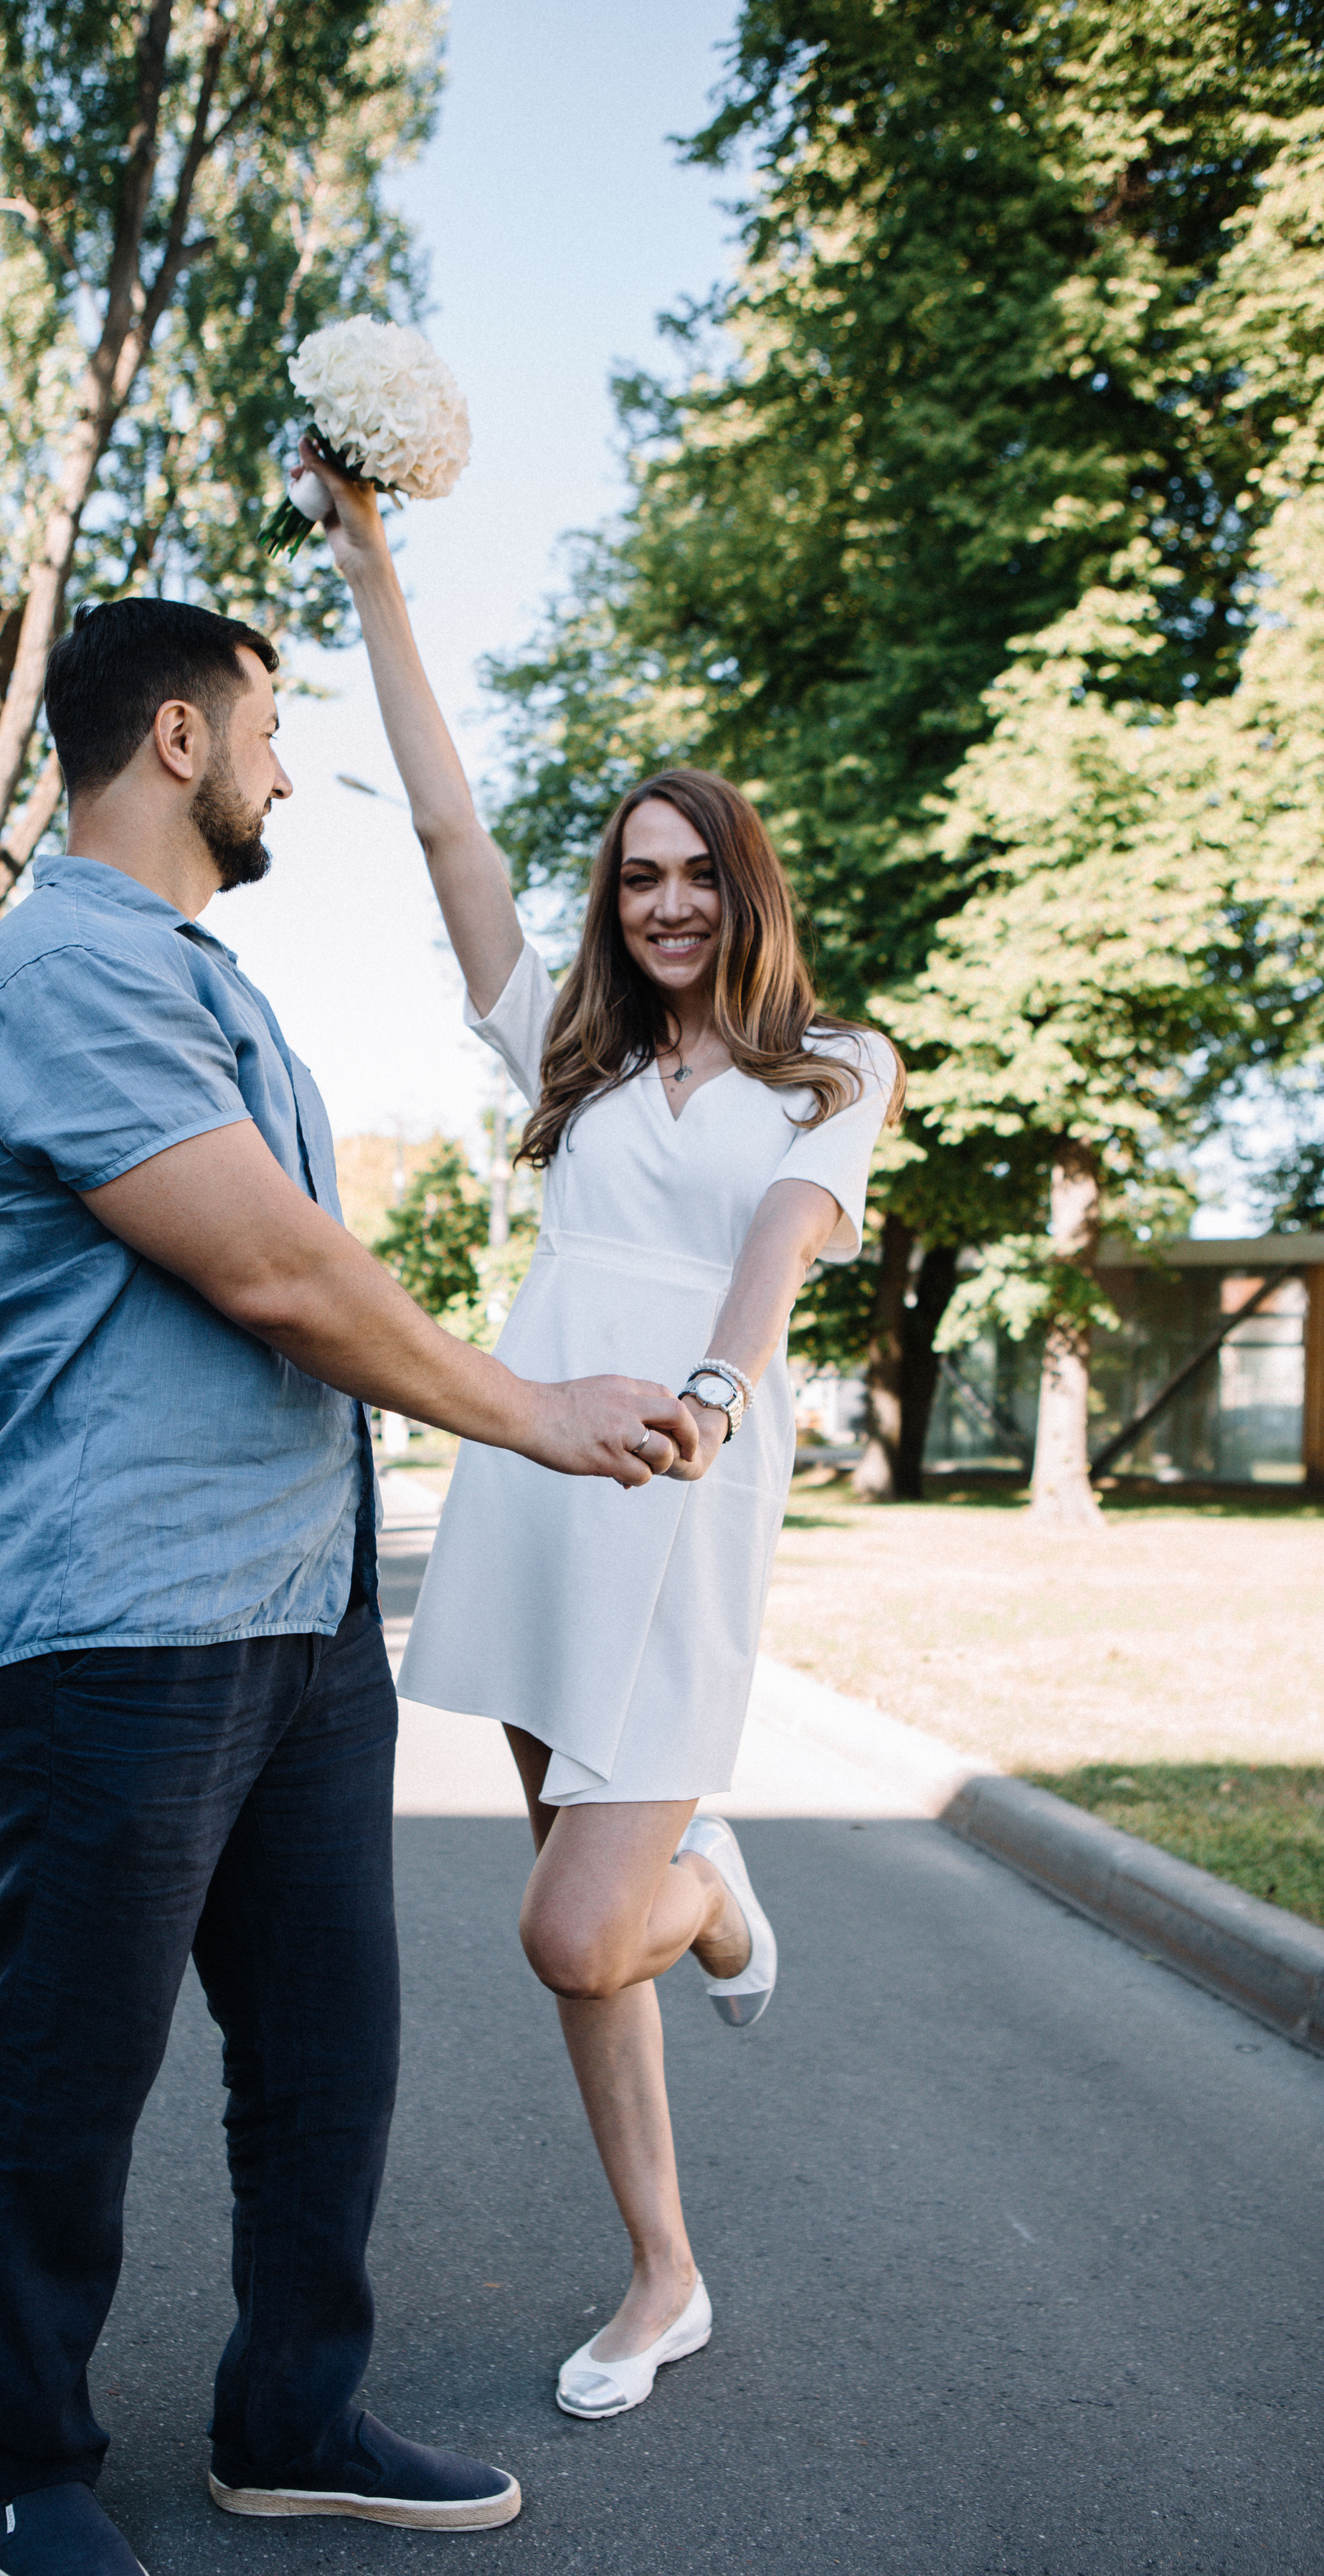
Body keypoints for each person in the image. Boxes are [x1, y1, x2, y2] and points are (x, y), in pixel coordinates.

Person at [0, 595, 701, 2576]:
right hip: (121, 1623)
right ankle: (17, 2457)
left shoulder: (208, 982)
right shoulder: (65, 978)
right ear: (176, 739)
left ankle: (293, 2417)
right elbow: (275, 1275)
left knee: (327, 2056)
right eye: (265, 729)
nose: (283, 771)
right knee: (66, 2069)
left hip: (293, 1615)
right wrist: (530, 1413)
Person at [305, 445, 902, 2428]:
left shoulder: (835, 1072)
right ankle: (665, 2273)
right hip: (538, 1483)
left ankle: (714, 1891)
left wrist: (720, 1404)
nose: (662, 900)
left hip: (678, 1486)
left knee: (581, 1923)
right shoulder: (562, 1059)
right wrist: (376, 563)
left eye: (692, 870)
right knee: (580, 1937)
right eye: (635, 876)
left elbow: (781, 1258)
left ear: (745, 885)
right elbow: (448, 825)